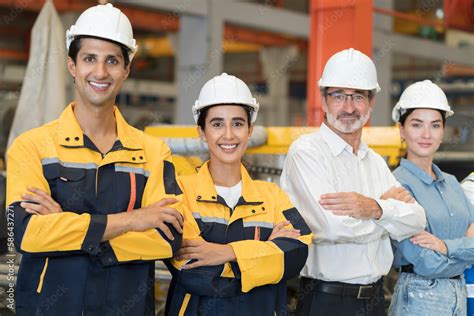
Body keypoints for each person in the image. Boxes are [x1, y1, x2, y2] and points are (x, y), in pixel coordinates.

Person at [6, 4, 184, 315]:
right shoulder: (31, 147)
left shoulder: (153, 153)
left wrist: (67, 230)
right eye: (90, 59)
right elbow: (26, 233)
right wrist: (132, 220)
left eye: (112, 61)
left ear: (126, 70)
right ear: (72, 65)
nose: (100, 72)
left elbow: (167, 238)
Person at [280, 48, 426, 316]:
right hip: (326, 300)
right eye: (338, 96)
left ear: (370, 103)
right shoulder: (307, 152)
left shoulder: (374, 161)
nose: (348, 108)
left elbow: (417, 220)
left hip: (374, 300)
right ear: (323, 101)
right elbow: (331, 227)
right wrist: (389, 218)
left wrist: (375, 208)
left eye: (358, 96)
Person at [164, 73, 312, 315]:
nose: (229, 135)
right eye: (217, 124)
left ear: (250, 130)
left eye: (238, 123)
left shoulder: (273, 196)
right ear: (201, 131)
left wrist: (227, 252)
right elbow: (194, 272)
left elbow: (297, 253)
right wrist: (267, 255)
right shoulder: (179, 193)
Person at [389, 80, 474, 316]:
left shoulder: (452, 184)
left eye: (435, 125)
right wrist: (465, 250)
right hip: (419, 297)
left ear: (443, 132)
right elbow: (426, 263)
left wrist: (444, 246)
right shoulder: (396, 185)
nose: (426, 134)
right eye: (417, 125)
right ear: (401, 130)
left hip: (458, 296)